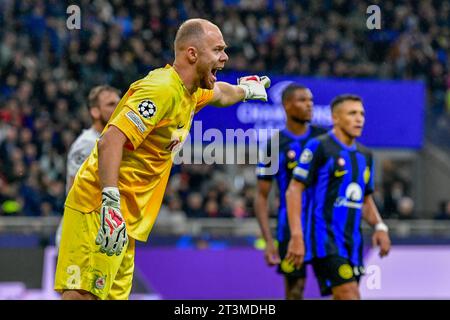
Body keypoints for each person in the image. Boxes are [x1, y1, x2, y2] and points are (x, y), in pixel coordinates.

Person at [54, 18, 271, 300]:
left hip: (127, 220)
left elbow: (221, 94)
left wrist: (248, 90)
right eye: (218, 49)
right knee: (83, 295)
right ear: (192, 54)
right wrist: (110, 204)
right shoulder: (161, 89)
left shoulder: (190, 93)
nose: (225, 57)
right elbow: (111, 140)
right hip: (99, 208)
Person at [285, 94, 391, 300]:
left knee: (343, 295)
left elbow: (365, 199)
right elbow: (294, 190)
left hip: (353, 242)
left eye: (362, 114)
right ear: (335, 118)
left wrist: (380, 227)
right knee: (350, 295)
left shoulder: (365, 155)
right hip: (324, 240)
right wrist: (297, 237)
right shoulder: (320, 146)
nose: (359, 118)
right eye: (352, 113)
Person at [255, 84, 327, 299]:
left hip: (324, 227)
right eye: (303, 100)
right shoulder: (273, 145)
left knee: (342, 289)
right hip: (289, 228)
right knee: (295, 291)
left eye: (311, 100)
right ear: (287, 105)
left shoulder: (325, 139)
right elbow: (261, 196)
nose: (310, 105)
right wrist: (269, 241)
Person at [55, 85, 120, 248]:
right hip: (80, 234)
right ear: (95, 112)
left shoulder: (114, 142)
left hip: (99, 230)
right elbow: (76, 191)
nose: (118, 108)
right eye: (111, 104)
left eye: (119, 103)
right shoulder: (87, 144)